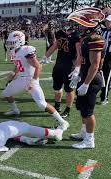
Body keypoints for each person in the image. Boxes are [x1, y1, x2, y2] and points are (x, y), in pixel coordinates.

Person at [2, 31, 69, 131]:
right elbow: (18, 65)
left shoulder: (26, 50)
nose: (10, 45)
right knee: (6, 93)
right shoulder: (14, 51)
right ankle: (15, 109)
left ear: (20, 41)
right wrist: (13, 74)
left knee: (41, 104)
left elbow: (38, 66)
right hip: (21, 78)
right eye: (10, 42)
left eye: (12, 42)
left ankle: (63, 122)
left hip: (30, 79)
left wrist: (33, 81)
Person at [67, 7, 105, 149]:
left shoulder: (96, 38)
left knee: (88, 111)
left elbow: (94, 65)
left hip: (93, 79)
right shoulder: (87, 38)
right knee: (81, 107)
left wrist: (86, 83)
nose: (81, 25)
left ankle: (90, 140)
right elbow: (82, 58)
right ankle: (84, 132)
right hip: (85, 76)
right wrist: (77, 71)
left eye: (84, 23)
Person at [42, 23, 82, 118]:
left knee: (69, 90)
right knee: (57, 89)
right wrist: (45, 56)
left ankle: (67, 110)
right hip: (58, 66)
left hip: (70, 67)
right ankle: (57, 106)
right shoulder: (60, 33)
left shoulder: (76, 36)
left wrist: (77, 68)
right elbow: (54, 46)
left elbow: (79, 54)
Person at [99, 15, 111, 105]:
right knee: (102, 75)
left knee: (106, 77)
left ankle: (104, 97)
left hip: (110, 57)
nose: (107, 23)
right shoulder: (104, 31)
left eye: (109, 22)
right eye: (106, 21)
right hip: (103, 56)